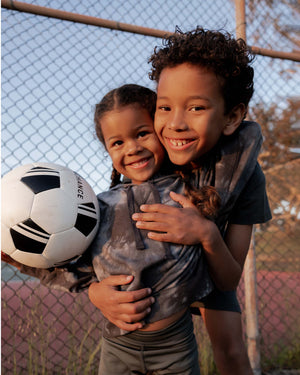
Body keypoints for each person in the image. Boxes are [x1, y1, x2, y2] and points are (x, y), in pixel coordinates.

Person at [4, 84, 225, 375]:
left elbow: (241, 141)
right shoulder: (97, 210)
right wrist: (90, 288)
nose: (132, 148)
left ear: (162, 131)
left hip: (175, 346)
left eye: (142, 133)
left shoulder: (189, 192)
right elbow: (74, 272)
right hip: (118, 348)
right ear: (108, 150)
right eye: (117, 143)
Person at [88, 27, 272, 375]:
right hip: (161, 277)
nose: (175, 124)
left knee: (232, 352)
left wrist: (205, 234)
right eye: (165, 107)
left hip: (213, 261)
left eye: (197, 107)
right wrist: (95, 291)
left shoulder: (245, 175)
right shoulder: (148, 159)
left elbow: (229, 278)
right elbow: (105, 251)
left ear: (232, 117)